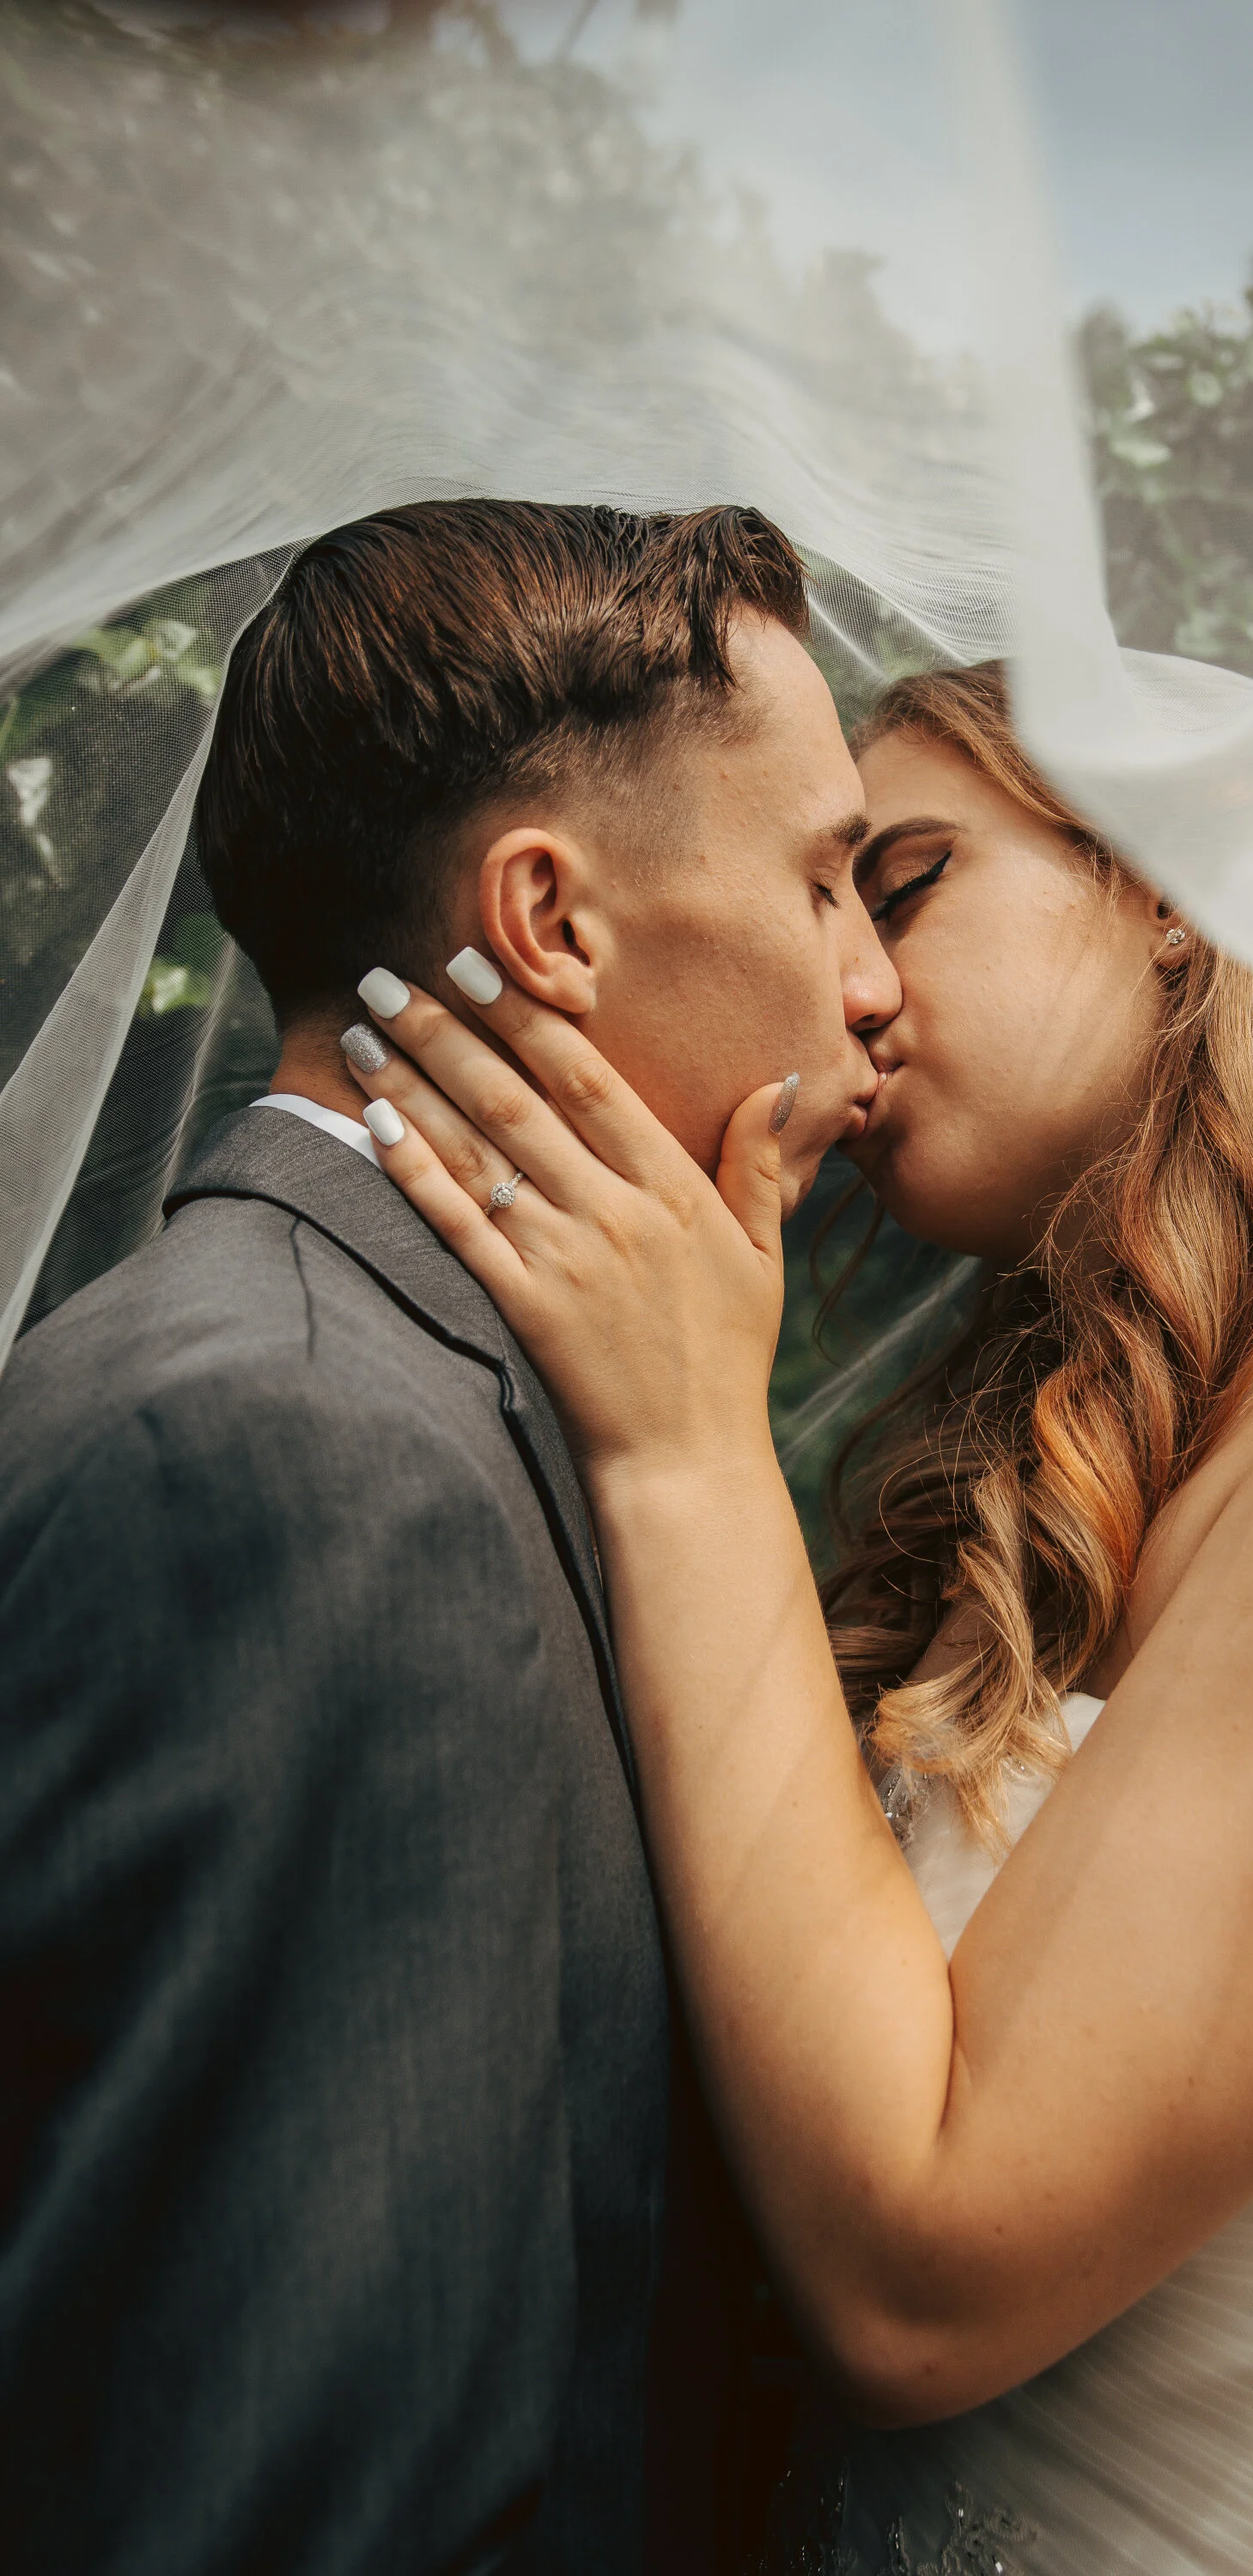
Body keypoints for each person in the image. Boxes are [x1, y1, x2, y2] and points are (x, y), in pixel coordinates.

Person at [343, 658, 1253, 2576]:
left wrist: (684, 1447)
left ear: (1178, 877)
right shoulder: (1057, 1470)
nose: (849, 990)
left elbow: (920, 2285)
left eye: (902, 887)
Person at [0, 498, 897, 2575]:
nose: (873, 985)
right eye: (825, 877)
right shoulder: (297, 1458)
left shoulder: (442, 1391)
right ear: (550, 918)